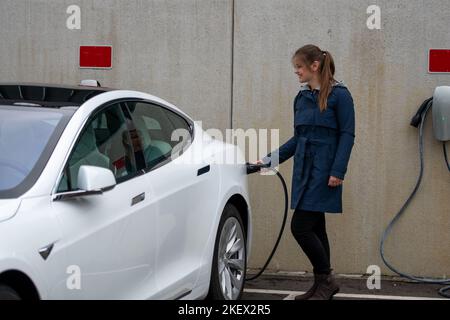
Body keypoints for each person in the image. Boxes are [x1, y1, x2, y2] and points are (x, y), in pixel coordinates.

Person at [256, 44, 355, 300]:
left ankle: (327, 280)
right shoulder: (301, 98)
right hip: (303, 171)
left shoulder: (340, 95)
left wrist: (338, 170)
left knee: (300, 227)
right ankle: (321, 283)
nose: (296, 72)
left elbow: (347, 135)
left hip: (325, 173)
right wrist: (269, 159)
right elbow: (297, 138)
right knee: (316, 227)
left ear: (314, 65)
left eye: (299, 67)